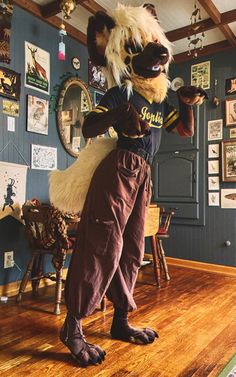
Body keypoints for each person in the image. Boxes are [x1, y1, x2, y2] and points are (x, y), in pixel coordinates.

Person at [56, 4, 207, 367]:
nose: (154, 55)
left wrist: (186, 105)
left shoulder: (156, 99)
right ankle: (73, 325)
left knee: (132, 248)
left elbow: (183, 129)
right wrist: (118, 114)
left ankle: (120, 319)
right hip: (119, 168)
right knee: (100, 245)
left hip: (143, 175)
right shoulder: (121, 93)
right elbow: (88, 128)